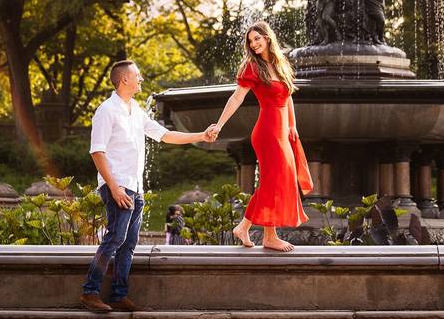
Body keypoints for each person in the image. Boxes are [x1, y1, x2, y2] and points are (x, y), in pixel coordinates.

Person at [79, 59, 216, 313]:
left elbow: (164, 135)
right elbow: (97, 152)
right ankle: (90, 292)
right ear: (124, 80)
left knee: (129, 243)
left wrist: (200, 136)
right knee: (115, 238)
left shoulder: (136, 110)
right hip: (117, 186)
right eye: (137, 76)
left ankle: (119, 295)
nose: (141, 79)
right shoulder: (106, 110)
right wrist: (114, 187)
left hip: (136, 188)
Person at [207, 21, 312, 252]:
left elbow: (289, 95)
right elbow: (236, 98)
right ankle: (265, 235)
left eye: (257, 39)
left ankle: (248, 228)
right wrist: (220, 124)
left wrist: (293, 125)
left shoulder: (279, 63)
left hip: (283, 131)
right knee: (272, 182)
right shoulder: (252, 67)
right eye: (250, 41)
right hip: (267, 132)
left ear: (267, 38)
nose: (253, 44)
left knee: (280, 180)